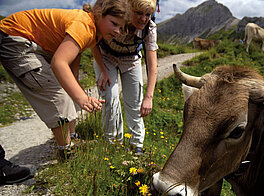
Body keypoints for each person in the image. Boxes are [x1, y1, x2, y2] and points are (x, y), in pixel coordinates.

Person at [0, 0, 129, 159]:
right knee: (57, 94)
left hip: (33, 43)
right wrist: (82, 98)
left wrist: (77, 89)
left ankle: (72, 139)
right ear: (99, 14)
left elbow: (72, 62)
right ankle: (66, 152)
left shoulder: (94, 34)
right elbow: (59, 63)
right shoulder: (84, 26)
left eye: (121, 28)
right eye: (114, 23)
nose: (117, 31)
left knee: (70, 89)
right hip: (15, 38)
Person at [94, 0, 158, 155]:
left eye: (148, 14)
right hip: (106, 57)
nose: (143, 19)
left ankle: (137, 144)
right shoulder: (117, 19)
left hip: (131, 60)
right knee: (110, 98)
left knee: (135, 102)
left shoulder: (149, 29)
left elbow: (152, 66)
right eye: (139, 13)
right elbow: (93, 42)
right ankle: (114, 143)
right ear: (130, 10)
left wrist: (149, 97)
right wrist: (102, 70)